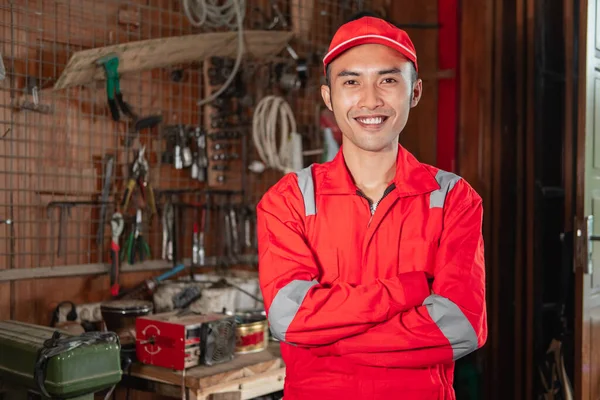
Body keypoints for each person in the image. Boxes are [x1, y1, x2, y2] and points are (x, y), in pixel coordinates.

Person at [256, 15, 487, 400]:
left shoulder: (453, 199)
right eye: (351, 81)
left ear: (414, 92)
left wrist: (327, 343)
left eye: (388, 79)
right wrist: (407, 290)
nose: (370, 100)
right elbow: (289, 317)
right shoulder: (290, 199)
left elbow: (461, 326)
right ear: (328, 96)